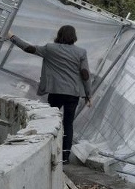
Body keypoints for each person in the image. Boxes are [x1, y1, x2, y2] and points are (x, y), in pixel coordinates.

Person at [8, 26, 92, 163]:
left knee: (50, 120)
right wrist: (88, 95)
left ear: (59, 35)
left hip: (56, 91)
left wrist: (12, 37)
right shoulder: (81, 52)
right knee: (68, 123)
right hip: (73, 93)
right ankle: (65, 156)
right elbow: (85, 74)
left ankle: (47, 149)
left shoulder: (50, 48)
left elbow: (28, 48)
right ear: (74, 36)